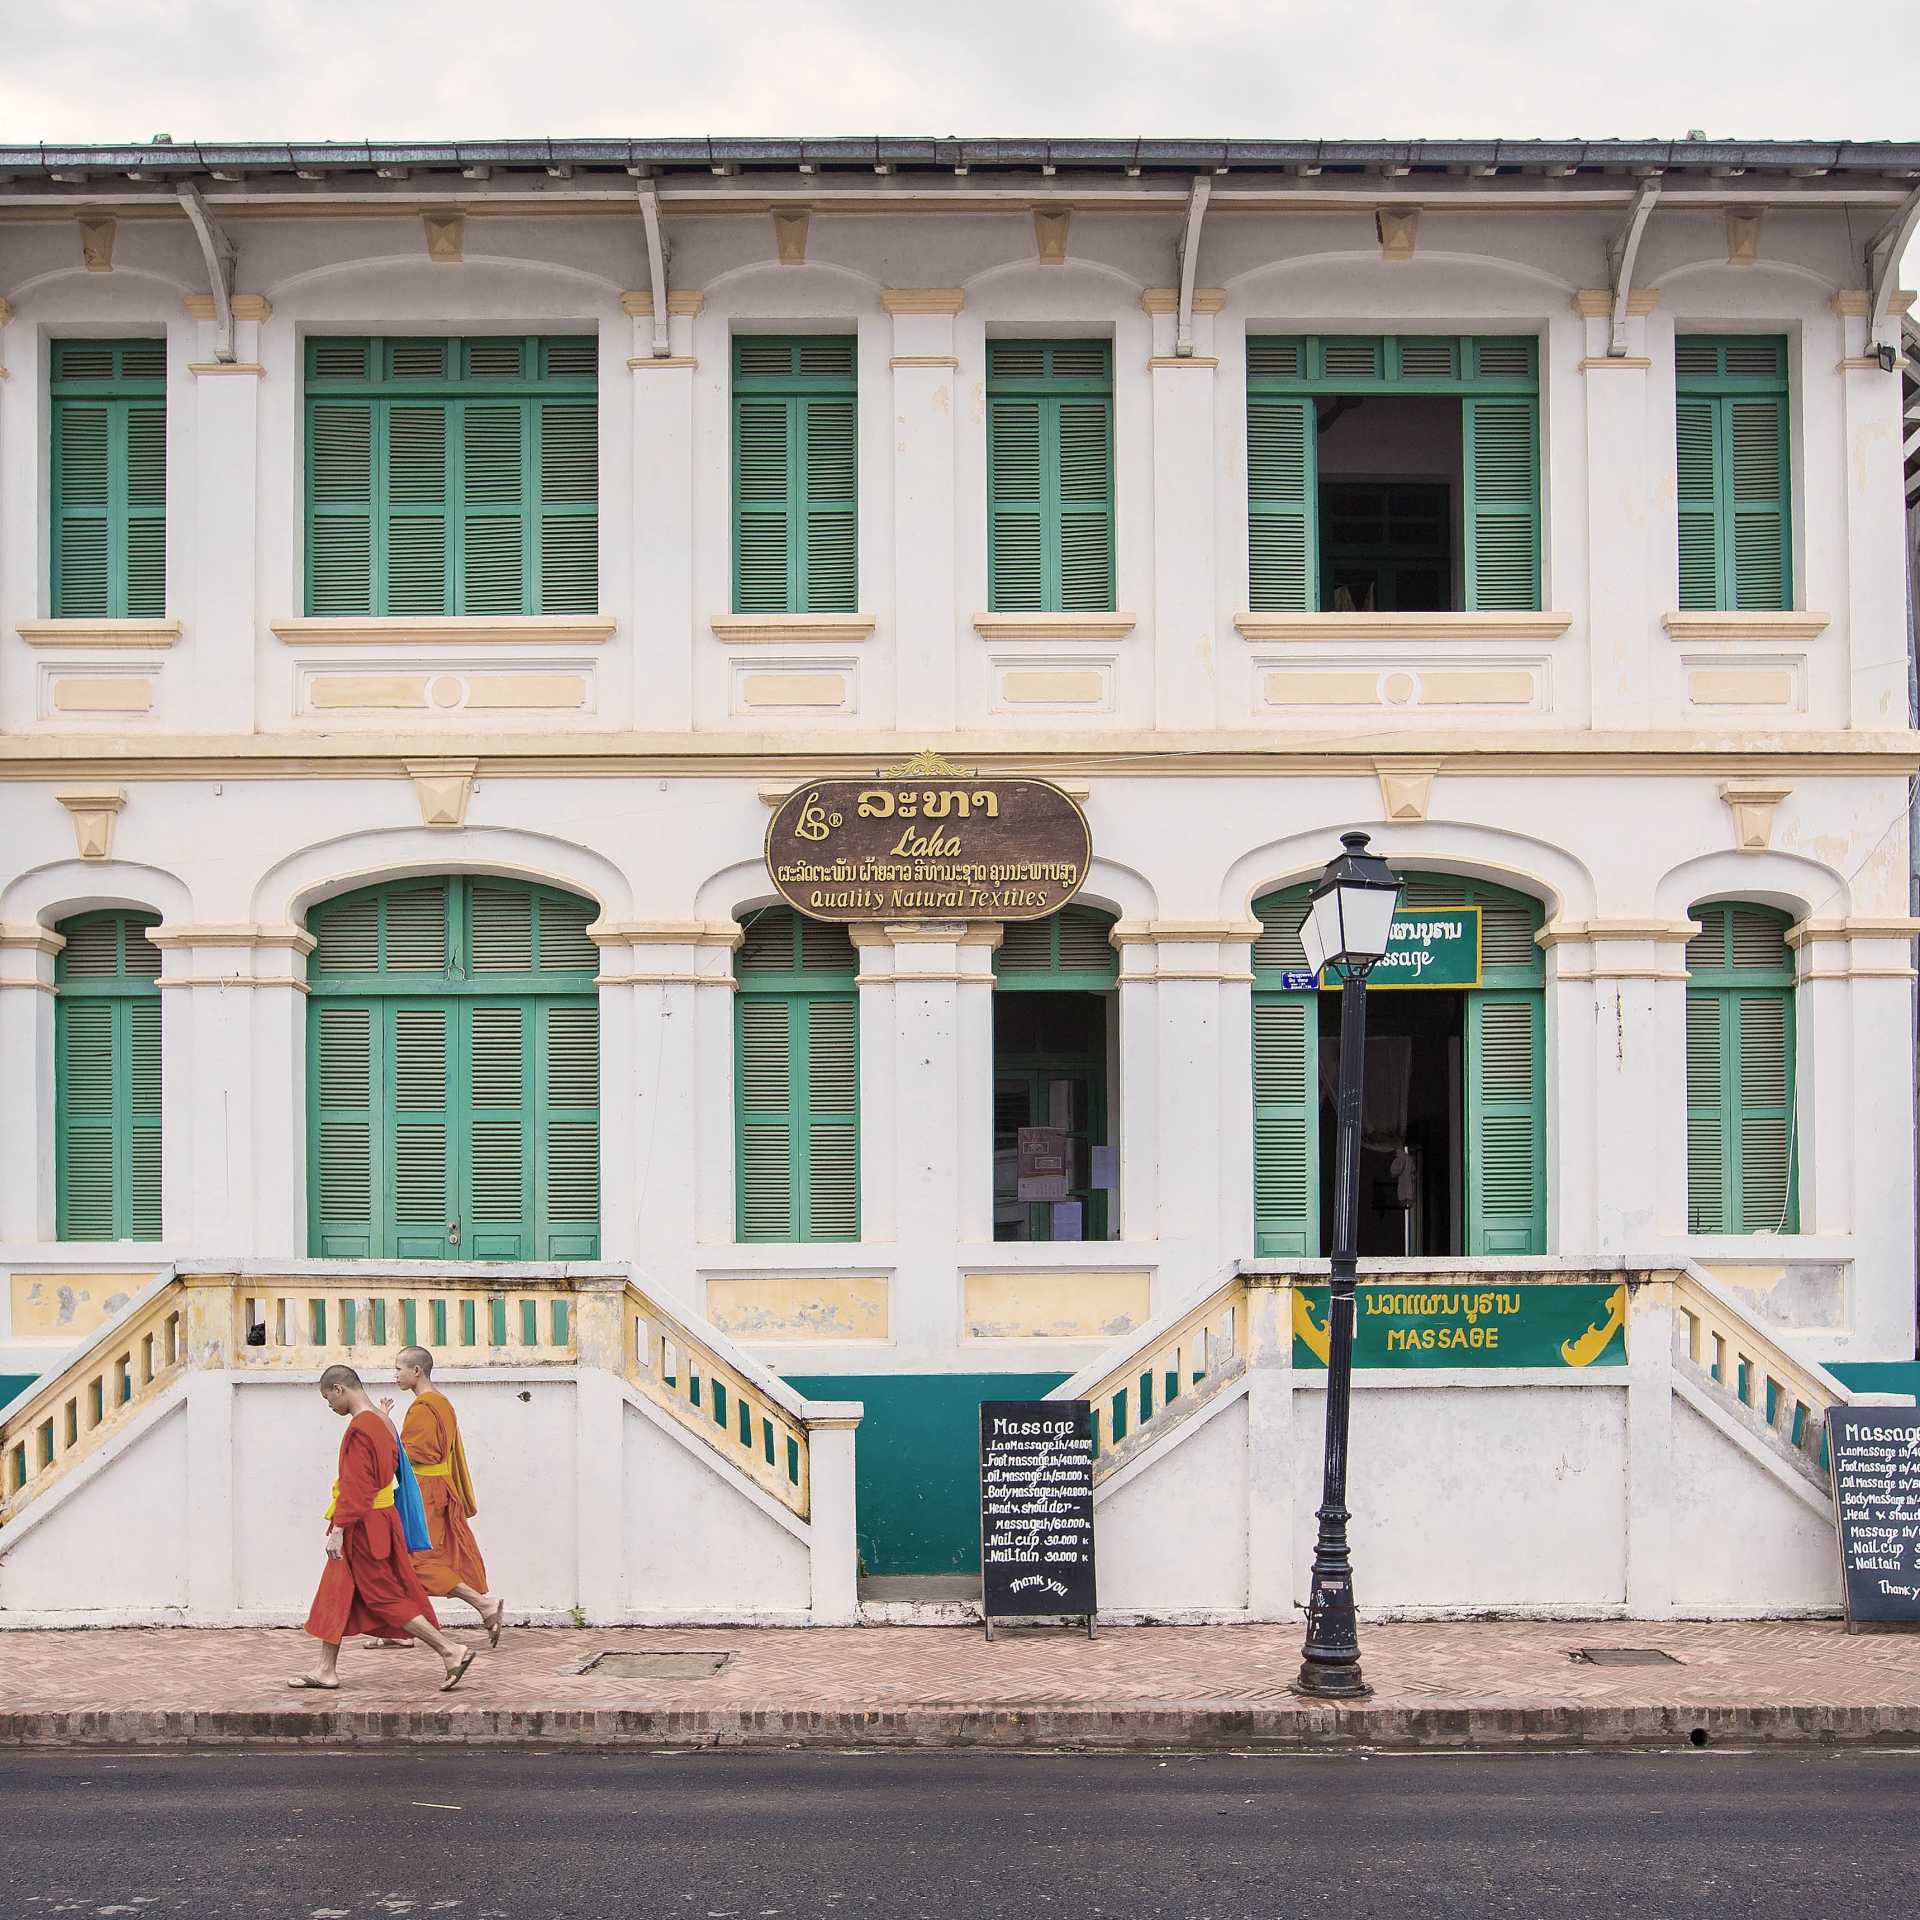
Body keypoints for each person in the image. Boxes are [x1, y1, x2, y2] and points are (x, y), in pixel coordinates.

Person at [288, 1363, 478, 1694]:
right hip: (380, 1519)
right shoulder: (382, 1421)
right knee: (337, 1590)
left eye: (328, 1398)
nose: (330, 1406)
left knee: (384, 1596)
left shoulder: (361, 1429)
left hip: (364, 1525)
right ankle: (325, 1669)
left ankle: (450, 1651)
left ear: (339, 1390)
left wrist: (339, 1529)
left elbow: (357, 1486)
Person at [375, 1345, 505, 1648]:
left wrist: (382, 1423)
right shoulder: (442, 1403)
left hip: (425, 1492)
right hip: (437, 1487)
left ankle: (483, 1605)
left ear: (416, 1371)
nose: (395, 1375)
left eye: (398, 1369)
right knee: (406, 1557)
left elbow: (409, 1453)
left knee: (418, 1560)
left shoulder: (423, 1407)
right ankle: (400, 1629)